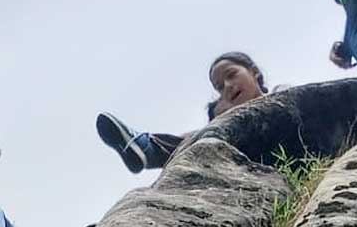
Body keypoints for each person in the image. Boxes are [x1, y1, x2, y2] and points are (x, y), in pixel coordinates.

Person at [96, 52, 267, 174]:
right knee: (199, 144)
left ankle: (151, 148)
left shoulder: (283, 92)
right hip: (245, 164)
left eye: (232, 74)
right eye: (219, 87)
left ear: (254, 71)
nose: (228, 86)